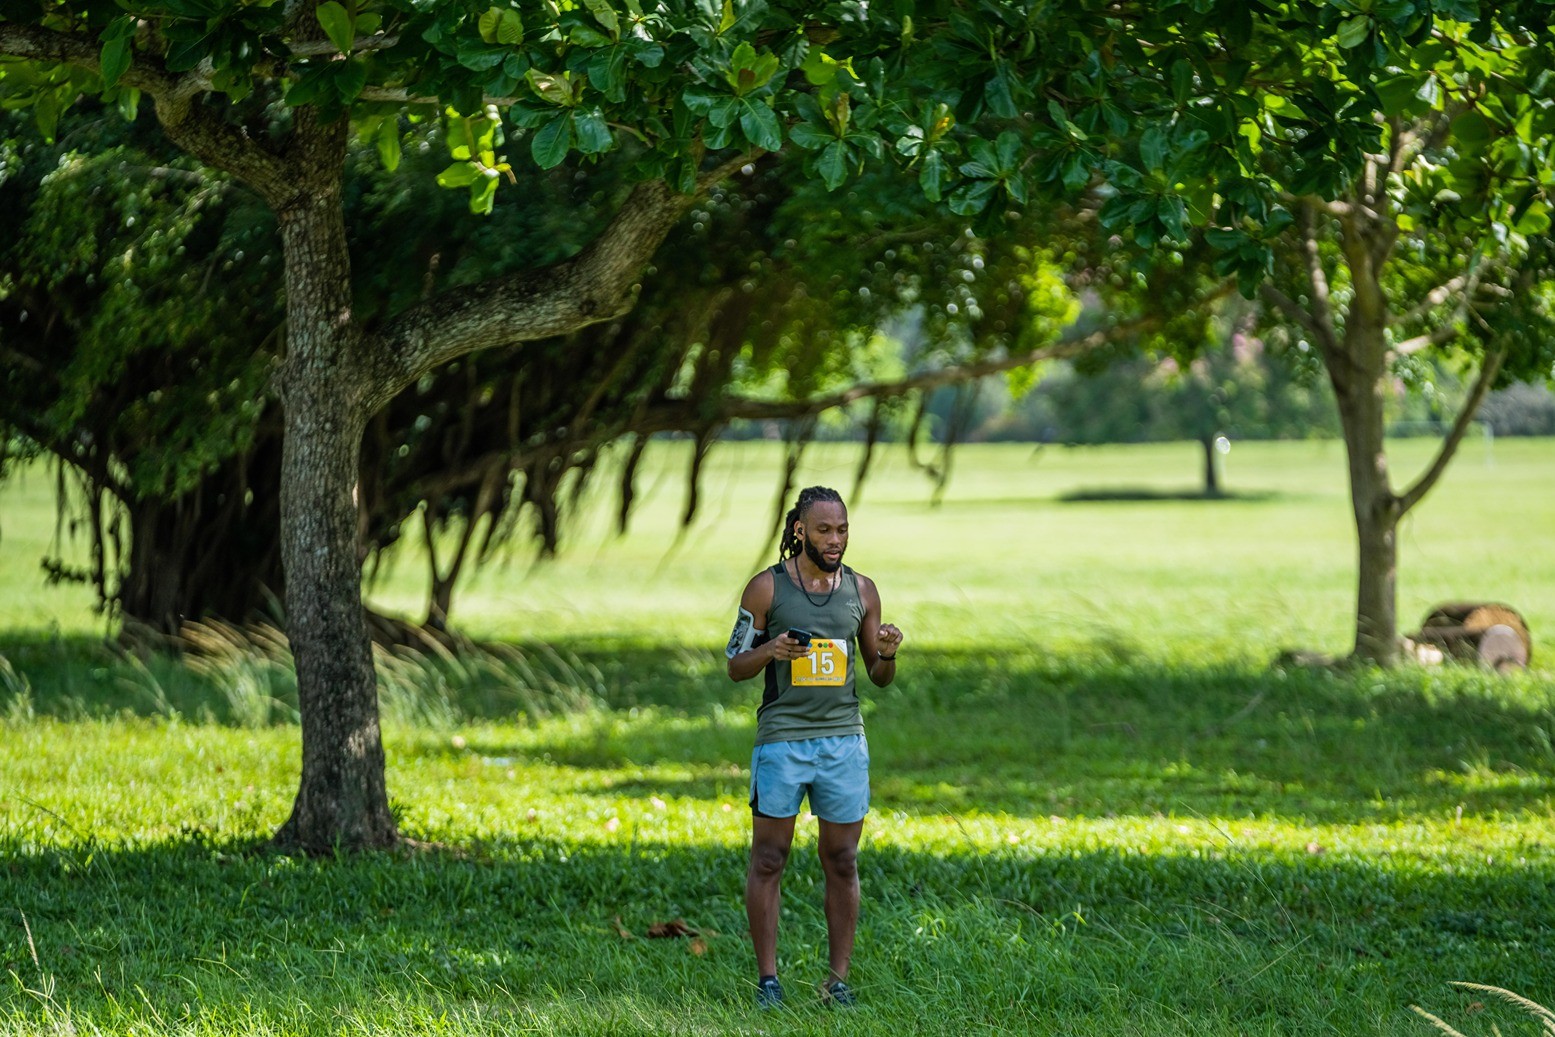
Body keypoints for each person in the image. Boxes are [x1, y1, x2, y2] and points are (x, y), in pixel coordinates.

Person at [724, 485, 904, 1009]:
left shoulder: (862, 590)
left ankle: (837, 981)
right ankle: (768, 981)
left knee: (843, 859)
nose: (835, 539)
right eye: (824, 530)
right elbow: (735, 666)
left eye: (842, 529)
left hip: (843, 741)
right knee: (769, 858)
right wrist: (771, 650)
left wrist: (888, 654)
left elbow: (878, 676)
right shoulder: (766, 588)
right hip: (783, 742)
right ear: (800, 530)